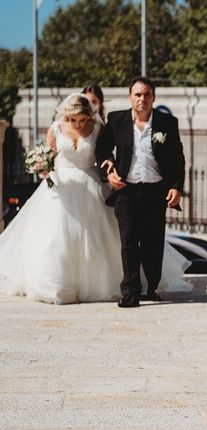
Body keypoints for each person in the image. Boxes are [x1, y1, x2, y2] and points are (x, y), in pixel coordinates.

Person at [0, 93, 191, 304]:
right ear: (66, 117)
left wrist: (109, 167)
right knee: (54, 239)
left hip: (90, 187)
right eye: (74, 120)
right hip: (60, 189)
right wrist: (42, 167)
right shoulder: (55, 128)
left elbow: (103, 152)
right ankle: (56, 285)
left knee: (99, 238)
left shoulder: (98, 127)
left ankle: (121, 283)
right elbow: (50, 156)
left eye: (83, 119)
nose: (80, 124)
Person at [96, 76, 186, 308]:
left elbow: (178, 159)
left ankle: (151, 287)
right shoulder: (117, 120)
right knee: (128, 241)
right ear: (130, 97)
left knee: (152, 243)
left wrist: (176, 187)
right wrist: (109, 171)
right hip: (126, 190)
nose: (142, 99)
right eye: (138, 94)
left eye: (147, 94)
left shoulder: (167, 123)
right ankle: (130, 292)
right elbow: (102, 150)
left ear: (153, 97)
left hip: (156, 191)